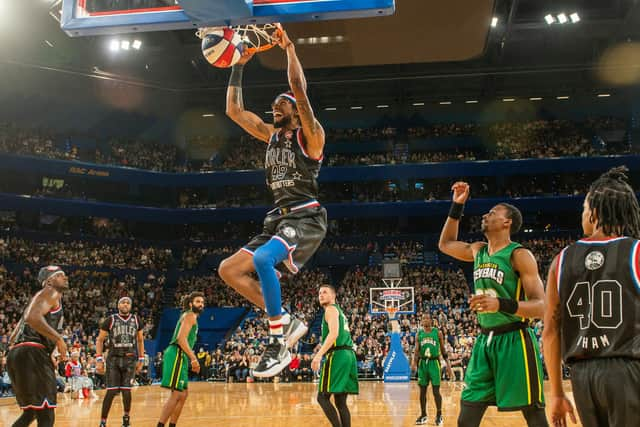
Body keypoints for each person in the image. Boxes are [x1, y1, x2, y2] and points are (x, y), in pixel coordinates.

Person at [219, 23, 327, 377]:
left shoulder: (310, 135)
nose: (274, 109)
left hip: (305, 217)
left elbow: (298, 88)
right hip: (278, 219)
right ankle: (287, 321)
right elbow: (235, 111)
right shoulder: (270, 135)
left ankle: (277, 340)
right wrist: (239, 62)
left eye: (280, 106)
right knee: (229, 270)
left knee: (264, 259)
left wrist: (289, 48)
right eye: (274, 106)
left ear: (296, 111)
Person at [438, 182, 548, 427]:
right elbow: (445, 244)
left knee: (534, 415)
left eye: (493, 213)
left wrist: (500, 304)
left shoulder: (519, 255)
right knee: (466, 417)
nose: (486, 215)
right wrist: (457, 205)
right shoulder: (478, 251)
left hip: (516, 340)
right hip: (484, 342)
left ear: (507, 222)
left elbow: (541, 307)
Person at [542, 166, 640, 427]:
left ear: (595, 213)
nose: (582, 214)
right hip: (628, 369)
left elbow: (550, 331)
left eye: (584, 208)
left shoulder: (560, 261)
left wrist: (557, 393)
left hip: (582, 376)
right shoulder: (636, 252)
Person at [7, 266, 69, 427]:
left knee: (31, 412)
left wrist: (47, 355)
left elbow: (13, 337)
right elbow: (33, 317)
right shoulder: (51, 292)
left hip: (16, 355)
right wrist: (59, 340)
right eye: (60, 275)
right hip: (32, 351)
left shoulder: (34, 302)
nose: (65, 277)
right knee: (46, 413)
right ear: (49, 281)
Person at [312, 285, 358, 427]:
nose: (321, 295)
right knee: (340, 402)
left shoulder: (331, 309)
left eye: (324, 292)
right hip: (348, 354)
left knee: (322, 397)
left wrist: (318, 355)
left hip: (338, 355)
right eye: (319, 293)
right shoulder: (339, 311)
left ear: (333, 296)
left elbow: (334, 334)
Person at [156, 292, 204, 427]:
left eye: (202, 302)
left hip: (181, 355)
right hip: (176, 353)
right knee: (177, 394)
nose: (201, 304)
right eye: (198, 302)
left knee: (183, 395)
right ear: (191, 304)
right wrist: (194, 359)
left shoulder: (191, 316)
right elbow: (181, 339)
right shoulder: (190, 315)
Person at [96, 296, 145, 427]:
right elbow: (100, 340)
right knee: (111, 391)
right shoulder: (110, 320)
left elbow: (140, 340)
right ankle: (102, 421)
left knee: (126, 391)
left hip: (130, 359)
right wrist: (99, 359)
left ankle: (126, 418)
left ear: (131, 306)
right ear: (118, 305)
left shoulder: (136, 320)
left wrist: (141, 359)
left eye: (128, 302)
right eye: (122, 302)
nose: (125, 304)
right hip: (114, 359)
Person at [412, 312, 453, 425]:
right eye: (423, 318)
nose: (424, 320)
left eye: (427, 318)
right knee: (422, 392)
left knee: (436, 391)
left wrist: (448, 367)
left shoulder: (437, 333)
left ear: (431, 320)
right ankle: (423, 415)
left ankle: (439, 415)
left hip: (434, 363)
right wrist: (414, 363)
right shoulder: (419, 334)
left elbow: (444, 351)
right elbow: (416, 351)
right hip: (423, 364)